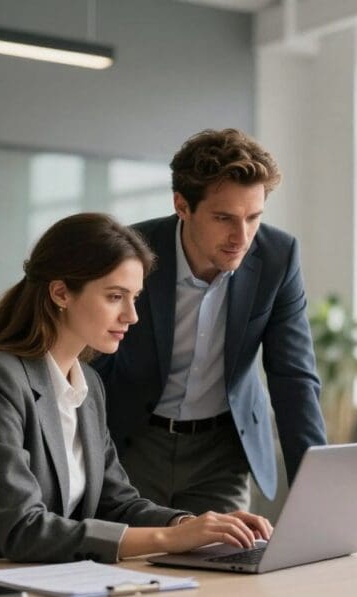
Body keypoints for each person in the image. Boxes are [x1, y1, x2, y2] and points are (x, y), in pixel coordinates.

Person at [0, 213, 271, 563]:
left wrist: (196, 525)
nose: (132, 316)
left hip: (60, 580)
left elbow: (116, 504)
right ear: (61, 293)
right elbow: (24, 531)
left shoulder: (88, 384)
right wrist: (169, 536)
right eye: (115, 297)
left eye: (134, 297)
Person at [93, 129, 327, 514]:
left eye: (253, 217)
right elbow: (93, 361)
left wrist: (323, 493)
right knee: (128, 560)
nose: (242, 236)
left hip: (222, 449)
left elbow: (294, 376)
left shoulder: (278, 256)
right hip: (133, 440)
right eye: (224, 218)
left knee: (228, 559)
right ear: (182, 205)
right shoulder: (131, 250)